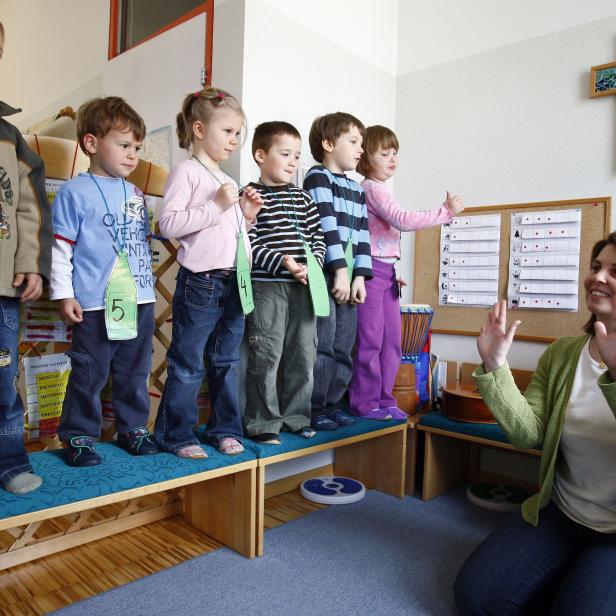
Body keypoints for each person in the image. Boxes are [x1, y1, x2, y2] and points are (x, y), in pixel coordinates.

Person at [454, 233, 616, 615]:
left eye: (614, 271)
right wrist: (495, 366)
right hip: (560, 512)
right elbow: (527, 434)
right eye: (596, 267)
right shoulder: (562, 354)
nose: (599, 277)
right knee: (475, 599)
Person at [154, 87, 262, 458]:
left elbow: (224, 235)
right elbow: (167, 223)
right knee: (187, 361)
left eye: (237, 133)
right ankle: (176, 435)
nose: (234, 140)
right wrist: (217, 206)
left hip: (234, 280)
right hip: (202, 281)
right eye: (227, 131)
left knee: (227, 361)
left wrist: (245, 218)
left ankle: (223, 429)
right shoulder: (187, 171)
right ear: (199, 129)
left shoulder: (224, 177)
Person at [51, 97, 158, 467]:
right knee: (89, 372)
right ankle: (79, 435)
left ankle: (132, 428)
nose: (132, 155)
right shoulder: (73, 193)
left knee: (135, 369)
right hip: (95, 304)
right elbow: (61, 248)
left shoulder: (136, 194)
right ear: (92, 143)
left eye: (137, 148)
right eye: (124, 145)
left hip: (139, 300)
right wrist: (64, 294)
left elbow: (139, 243)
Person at [349, 125, 464, 419]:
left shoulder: (381, 189)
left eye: (395, 153)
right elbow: (401, 220)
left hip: (385, 270)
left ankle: (384, 399)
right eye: (384, 153)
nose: (392, 159)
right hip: (371, 269)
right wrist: (445, 212)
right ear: (364, 158)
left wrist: (391, 270)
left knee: (392, 343)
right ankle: (365, 402)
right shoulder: (370, 188)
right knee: (371, 341)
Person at [243, 121, 326, 444]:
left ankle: (296, 417)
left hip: (304, 287)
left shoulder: (303, 199)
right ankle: (263, 423)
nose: (293, 162)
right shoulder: (250, 195)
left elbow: (317, 239)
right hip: (267, 287)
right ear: (260, 155)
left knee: (303, 355)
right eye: (285, 154)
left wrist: (312, 267)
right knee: (266, 355)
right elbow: (247, 244)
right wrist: (284, 263)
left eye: (297, 156)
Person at [0, 21, 52, 493]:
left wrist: (29, 263)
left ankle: (10, 463)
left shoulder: (9, 136)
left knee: (2, 378)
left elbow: (29, 206)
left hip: (1, 288)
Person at [303, 112, 372, 431]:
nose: (361, 149)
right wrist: (340, 272)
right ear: (329, 143)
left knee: (345, 344)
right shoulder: (317, 177)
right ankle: (315, 406)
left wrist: (359, 276)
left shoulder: (357, 190)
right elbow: (326, 226)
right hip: (328, 275)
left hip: (349, 277)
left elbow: (362, 234)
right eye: (354, 142)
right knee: (324, 344)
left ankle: (334, 403)